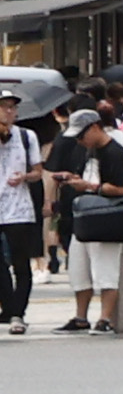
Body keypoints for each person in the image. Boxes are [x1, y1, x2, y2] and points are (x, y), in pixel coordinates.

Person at [50, 106, 123, 332]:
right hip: (86, 216)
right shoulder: (89, 150)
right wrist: (74, 179)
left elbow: (120, 189)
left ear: (96, 127)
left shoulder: (114, 152)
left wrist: (89, 186)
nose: (80, 140)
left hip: (107, 217)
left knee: (106, 270)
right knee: (79, 269)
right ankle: (81, 316)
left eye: (82, 135)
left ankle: (105, 318)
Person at [0, 90, 35, 331]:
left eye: (12, 107)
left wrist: (24, 176)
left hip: (19, 208)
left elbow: (38, 171)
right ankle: (9, 307)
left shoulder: (26, 136)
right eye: (4, 107)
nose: (8, 112)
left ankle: (17, 312)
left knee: (21, 262)